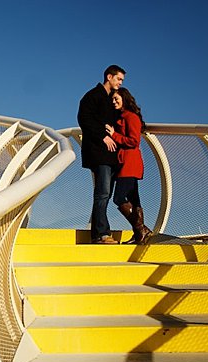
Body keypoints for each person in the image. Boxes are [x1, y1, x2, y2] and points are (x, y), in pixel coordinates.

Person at [77, 65, 125, 244]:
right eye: (118, 79)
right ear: (109, 77)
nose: (120, 83)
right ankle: (102, 234)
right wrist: (103, 137)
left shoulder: (112, 100)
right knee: (102, 193)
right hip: (99, 154)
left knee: (105, 194)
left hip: (111, 156)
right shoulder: (92, 96)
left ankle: (99, 233)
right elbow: (84, 119)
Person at [106, 88, 153, 244]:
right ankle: (139, 234)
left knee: (119, 198)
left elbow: (134, 141)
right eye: (112, 99)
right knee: (134, 199)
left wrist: (114, 135)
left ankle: (141, 229)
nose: (114, 102)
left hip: (130, 162)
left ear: (124, 98)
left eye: (116, 98)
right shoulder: (122, 116)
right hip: (125, 162)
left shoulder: (130, 117)